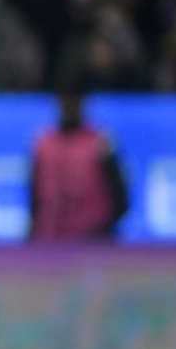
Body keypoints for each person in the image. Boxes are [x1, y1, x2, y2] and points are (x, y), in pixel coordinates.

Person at [28, 91, 128, 240]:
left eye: (74, 101)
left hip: (94, 238)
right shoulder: (43, 144)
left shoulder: (101, 142)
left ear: (83, 104)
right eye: (65, 101)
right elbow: (34, 195)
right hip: (51, 239)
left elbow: (120, 194)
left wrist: (106, 229)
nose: (69, 107)